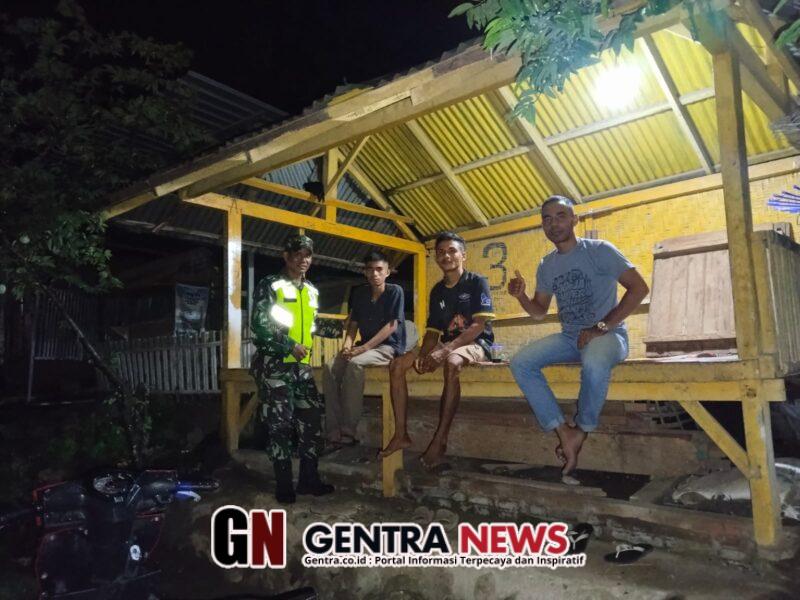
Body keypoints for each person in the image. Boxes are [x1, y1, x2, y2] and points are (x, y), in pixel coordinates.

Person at [508, 196, 649, 476]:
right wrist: (521, 296)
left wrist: (600, 327)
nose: (553, 223)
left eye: (561, 216)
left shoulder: (600, 251)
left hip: (608, 335)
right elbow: (539, 312)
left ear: (575, 220)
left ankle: (582, 428)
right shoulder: (547, 264)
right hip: (570, 338)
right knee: (521, 362)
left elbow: (639, 288)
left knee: (594, 361)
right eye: (547, 219)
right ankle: (563, 431)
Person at [379, 231, 495, 470]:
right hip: (447, 344)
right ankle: (401, 434)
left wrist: (444, 351)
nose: (446, 256)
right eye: (441, 252)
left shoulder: (476, 282)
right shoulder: (437, 291)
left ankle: (440, 439)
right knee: (398, 364)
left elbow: (479, 326)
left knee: (452, 362)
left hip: (477, 343)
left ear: (463, 255)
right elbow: (433, 332)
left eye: (452, 251)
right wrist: (423, 355)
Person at [250, 234, 340, 504]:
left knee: (311, 422)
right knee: (280, 426)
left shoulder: (311, 290)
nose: (303, 259)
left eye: (307, 255)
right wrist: (289, 345)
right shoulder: (270, 284)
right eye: (297, 254)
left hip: (302, 367)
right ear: (286, 256)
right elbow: (260, 325)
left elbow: (312, 324)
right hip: (276, 365)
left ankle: (308, 481)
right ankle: (284, 485)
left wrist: (344, 329)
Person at [322, 250, 411, 447]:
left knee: (354, 365)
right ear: (365, 272)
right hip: (365, 347)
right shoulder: (360, 293)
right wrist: (347, 346)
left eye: (379, 269)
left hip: (388, 348)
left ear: (388, 272)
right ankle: (333, 429)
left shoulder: (394, 291)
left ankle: (349, 430)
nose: (375, 274)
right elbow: (353, 324)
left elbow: (392, 325)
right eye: (370, 269)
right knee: (330, 367)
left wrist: (363, 348)